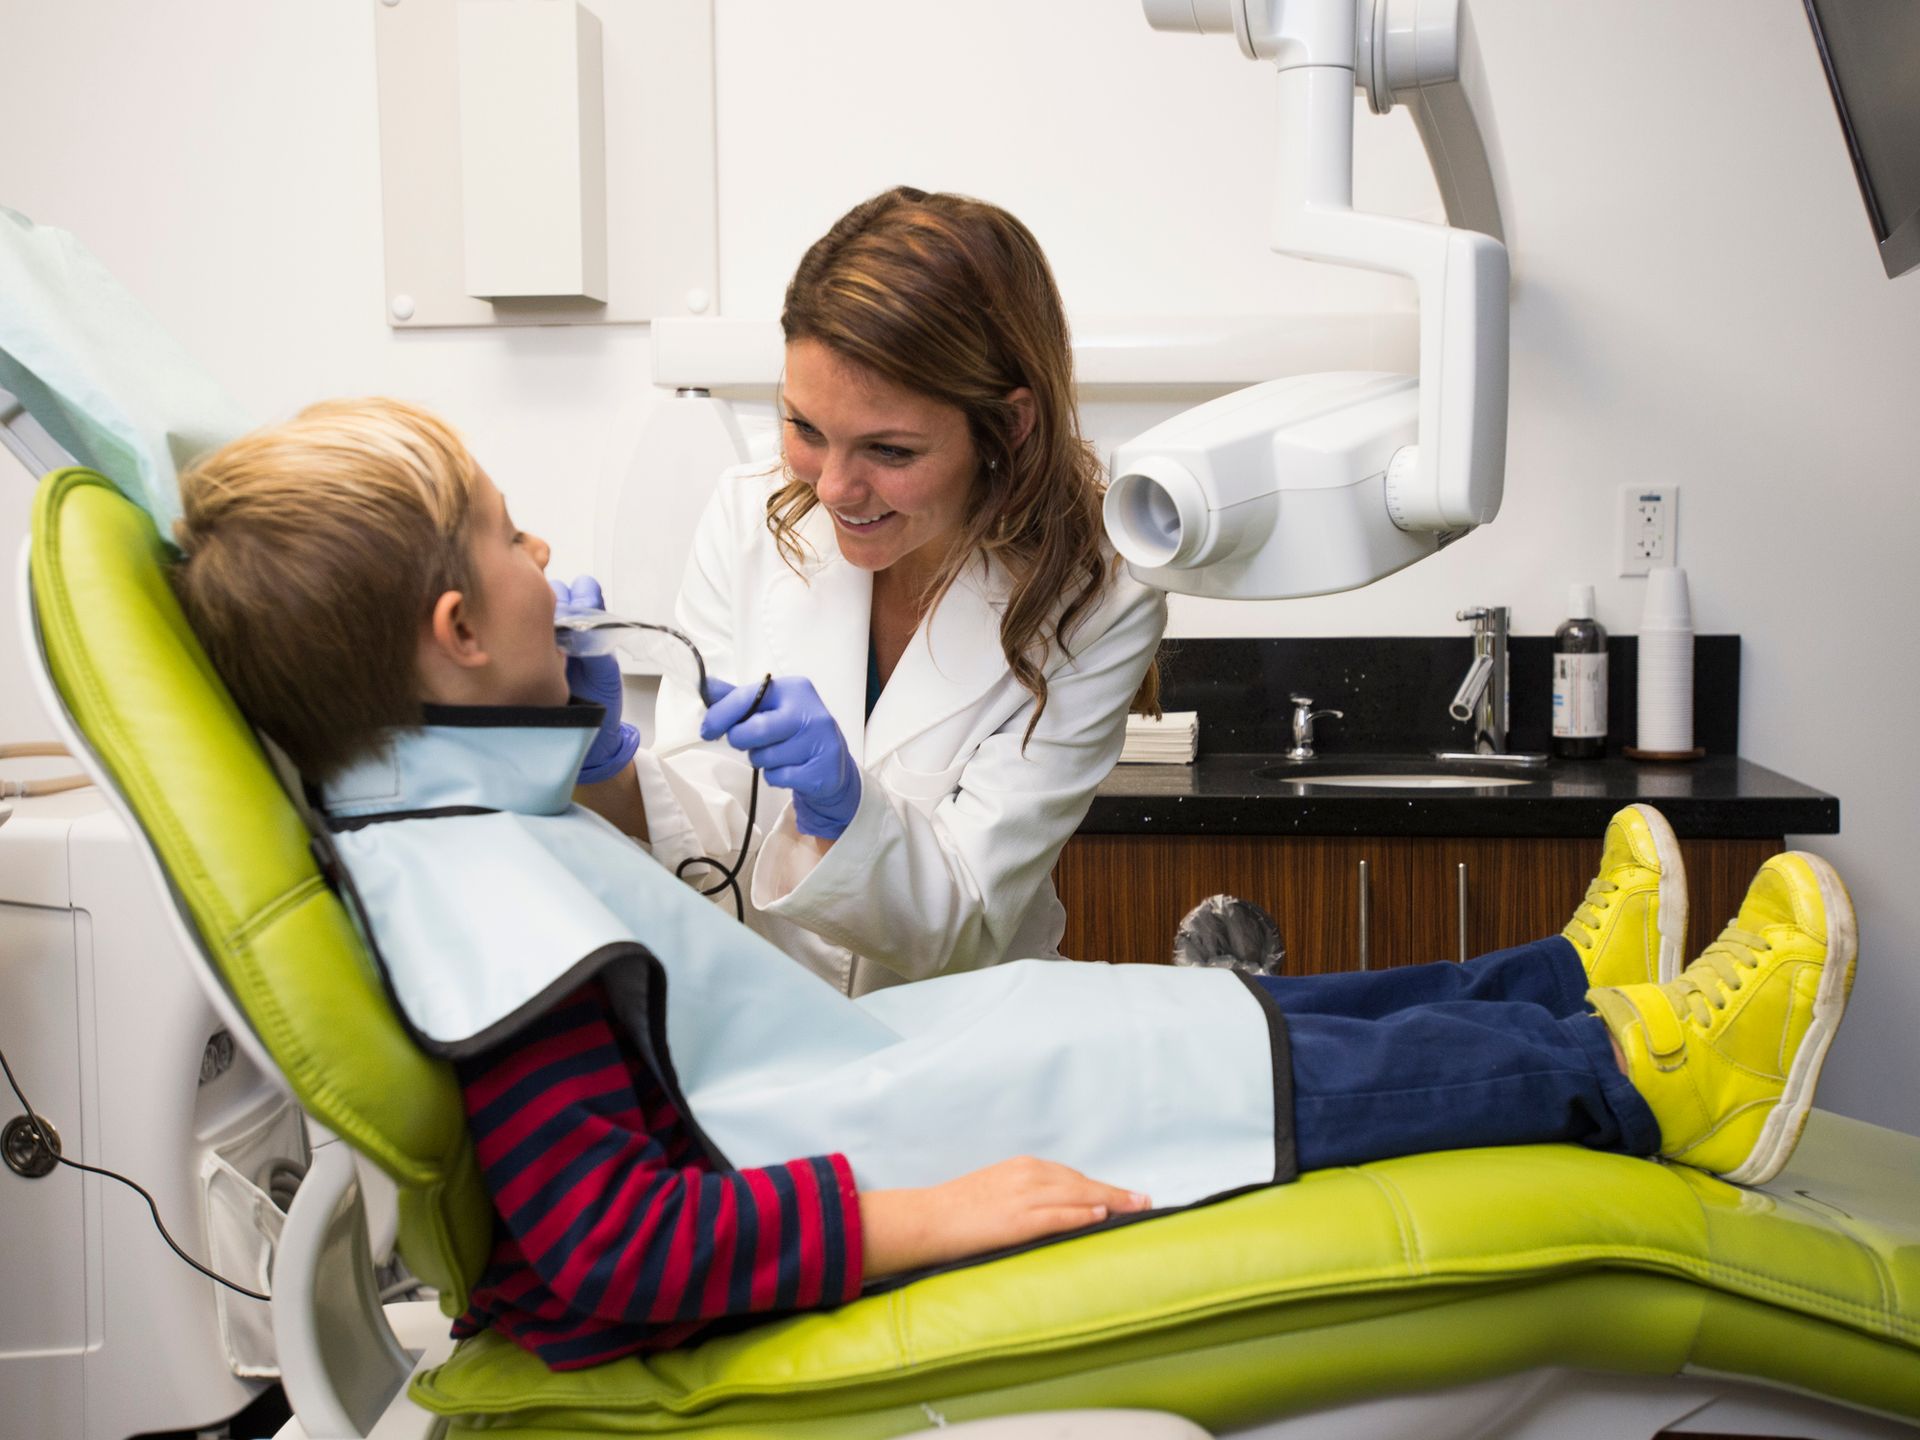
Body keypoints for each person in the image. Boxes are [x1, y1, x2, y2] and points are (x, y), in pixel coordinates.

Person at [169, 398, 1858, 1372]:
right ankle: (1646, 1083)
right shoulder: (474, 904)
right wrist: (926, 1216)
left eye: (884, 440)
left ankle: (1557, 985)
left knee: (1233, 1018)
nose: (552, 562)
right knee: (1274, 1078)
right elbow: (612, 1242)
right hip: (886, 1135)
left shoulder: (454, 834)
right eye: (510, 540)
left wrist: (571, 756)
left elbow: (726, 925)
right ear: (456, 638)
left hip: (892, 1056)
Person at [565, 187, 1168, 996]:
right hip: (764, 1024)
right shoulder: (748, 518)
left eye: (889, 449)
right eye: (806, 429)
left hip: (962, 1042)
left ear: (1010, 424)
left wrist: (847, 816)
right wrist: (600, 768)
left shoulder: (1102, 598)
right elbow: (707, 838)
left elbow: (967, 915)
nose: (837, 488)